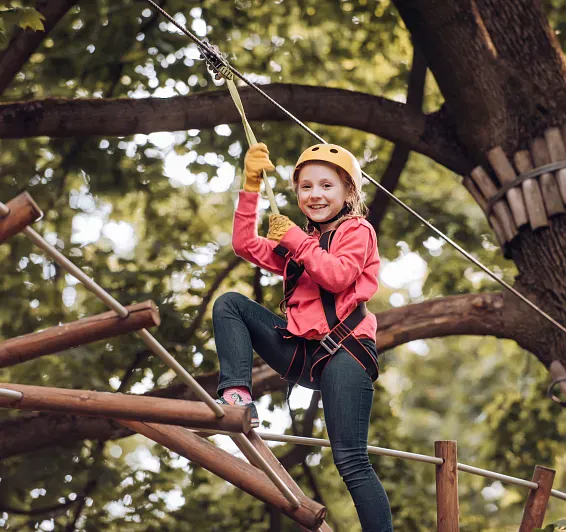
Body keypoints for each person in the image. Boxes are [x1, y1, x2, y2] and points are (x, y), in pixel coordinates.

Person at [213, 142, 394, 531]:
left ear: (349, 193)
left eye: (327, 186)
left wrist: (296, 240)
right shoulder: (297, 241)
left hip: (346, 352)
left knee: (350, 461)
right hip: (302, 352)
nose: (315, 194)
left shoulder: (356, 230)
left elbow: (338, 276)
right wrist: (250, 186)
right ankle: (237, 395)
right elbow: (245, 244)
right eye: (306, 187)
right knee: (230, 303)